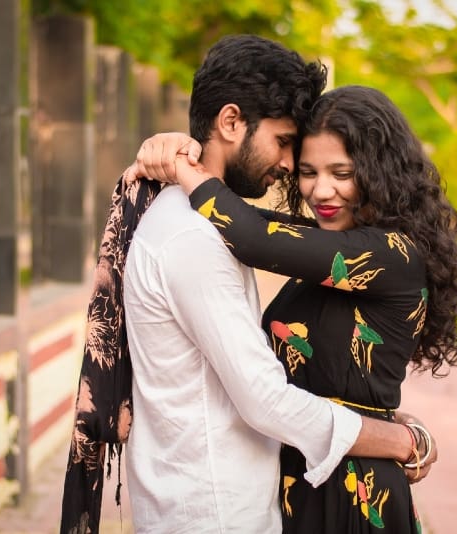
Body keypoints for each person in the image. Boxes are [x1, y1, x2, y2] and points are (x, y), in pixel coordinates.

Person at [121, 36, 436, 534]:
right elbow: (254, 227)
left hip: (354, 486)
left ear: (377, 173)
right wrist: (177, 159)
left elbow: (253, 233)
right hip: (277, 490)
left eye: (342, 172)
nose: (311, 184)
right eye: (302, 162)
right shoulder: (200, 233)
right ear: (230, 123)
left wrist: (184, 165)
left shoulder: (387, 253)